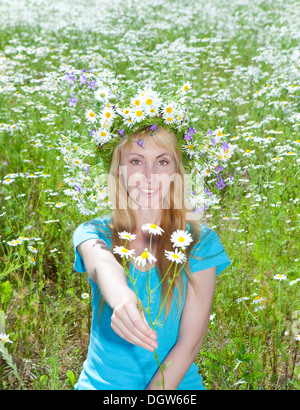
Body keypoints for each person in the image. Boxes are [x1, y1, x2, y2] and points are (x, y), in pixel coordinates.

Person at [72, 125, 232, 390]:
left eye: (162, 161)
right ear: (118, 170)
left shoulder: (200, 244)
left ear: (176, 172)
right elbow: (101, 265)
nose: (149, 176)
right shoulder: (94, 232)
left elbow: (189, 343)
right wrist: (122, 297)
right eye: (136, 161)